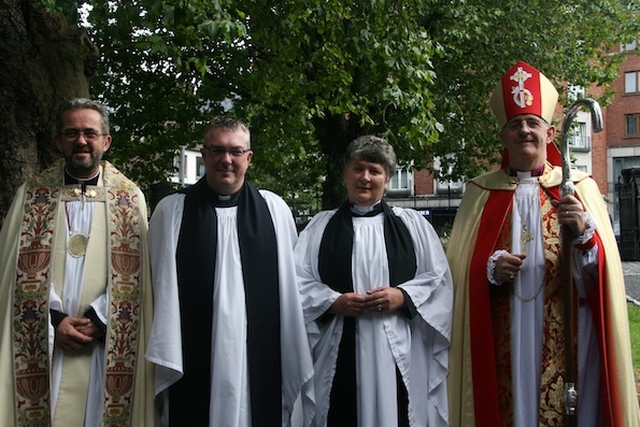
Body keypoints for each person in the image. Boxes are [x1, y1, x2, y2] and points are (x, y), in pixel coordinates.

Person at [447, 61, 640, 426]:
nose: (524, 131)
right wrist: (489, 270)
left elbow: (603, 278)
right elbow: (458, 276)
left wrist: (585, 234)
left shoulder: (579, 188)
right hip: (504, 332)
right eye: (515, 125)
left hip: (570, 332)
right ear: (503, 138)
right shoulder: (479, 193)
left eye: (532, 123)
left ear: (550, 133)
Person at [146, 115, 314, 426]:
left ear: (248, 158)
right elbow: (158, 290)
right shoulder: (171, 212)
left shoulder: (274, 210)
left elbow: (292, 292)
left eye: (236, 151)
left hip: (260, 356)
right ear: (204, 155)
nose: (227, 160)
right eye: (217, 150)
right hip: (193, 359)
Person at [0, 98, 155, 426]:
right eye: (71, 133)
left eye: (90, 133)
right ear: (58, 141)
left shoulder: (129, 199)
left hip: (106, 345)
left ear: (106, 141)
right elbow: (12, 274)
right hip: (44, 346)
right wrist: (54, 318)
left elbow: (141, 276)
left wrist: (101, 319)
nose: (81, 141)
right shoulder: (31, 196)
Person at [294, 135, 453, 427]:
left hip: (399, 345)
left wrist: (404, 296)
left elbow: (438, 279)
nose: (365, 177)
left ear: (388, 179)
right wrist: (332, 301)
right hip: (337, 345)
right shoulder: (320, 226)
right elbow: (297, 281)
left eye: (375, 170)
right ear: (345, 174)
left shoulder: (413, 225)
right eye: (358, 168)